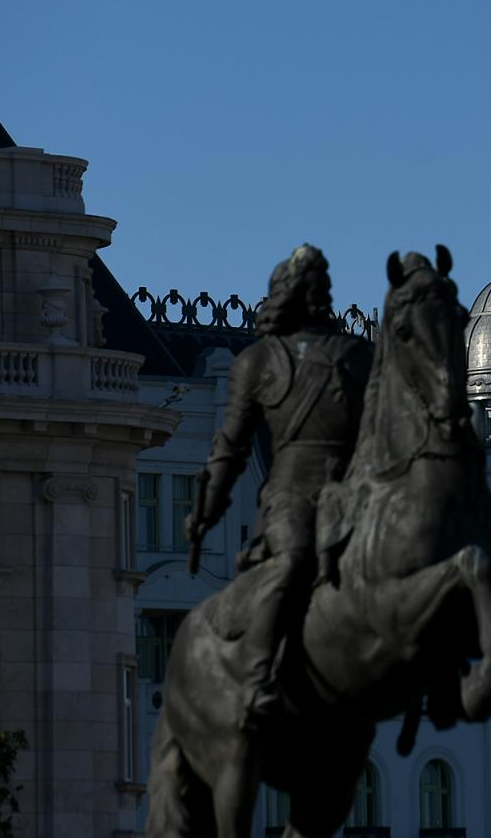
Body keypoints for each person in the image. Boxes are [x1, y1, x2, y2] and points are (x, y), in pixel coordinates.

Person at [186, 244, 372, 729]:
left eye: (319, 286)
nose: (315, 295)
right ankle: (260, 674)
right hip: (292, 496)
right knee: (290, 565)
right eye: (306, 287)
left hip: (354, 492)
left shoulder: (357, 355)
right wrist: (207, 507)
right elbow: (231, 448)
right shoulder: (258, 362)